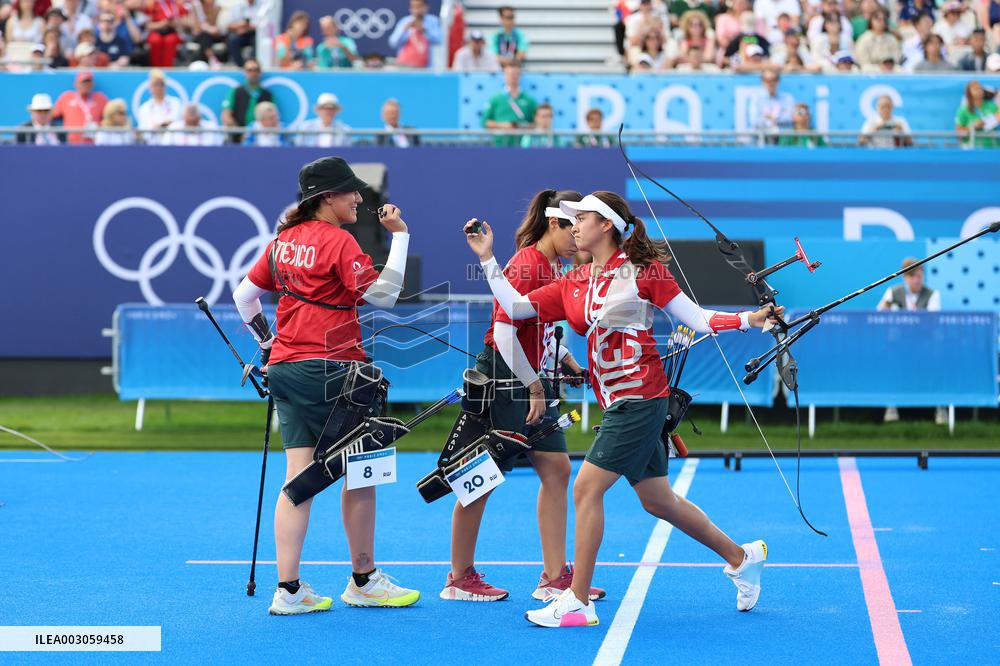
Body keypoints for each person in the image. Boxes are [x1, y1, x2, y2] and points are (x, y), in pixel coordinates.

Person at [464, 191, 776, 627]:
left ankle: (577, 602)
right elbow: (516, 307)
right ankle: (742, 559)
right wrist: (487, 258)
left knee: (585, 489)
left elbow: (698, 319)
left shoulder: (644, 272)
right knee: (659, 500)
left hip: (641, 399)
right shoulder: (575, 280)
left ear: (606, 224)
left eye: (583, 218)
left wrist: (747, 319)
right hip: (616, 403)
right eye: (572, 220)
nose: (575, 226)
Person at [233, 156, 419, 615]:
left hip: (286, 368)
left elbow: (243, 297)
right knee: (362, 471)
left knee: (299, 477)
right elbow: (384, 296)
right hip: (334, 369)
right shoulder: (338, 240)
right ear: (326, 197)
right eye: (350, 191)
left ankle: (289, 590)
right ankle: (364, 581)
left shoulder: (282, 241)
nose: (358, 197)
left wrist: (267, 344)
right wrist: (400, 237)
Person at [442, 190, 605, 604]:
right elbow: (503, 332)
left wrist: (566, 361)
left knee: (556, 469)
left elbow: (541, 327)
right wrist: (534, 386)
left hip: (533, 378)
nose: (579, 238)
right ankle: (459, 577)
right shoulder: (528, 263)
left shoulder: (555, 264)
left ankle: (554, 577)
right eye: (573, 228)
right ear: (553, 223)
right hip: (506, 378)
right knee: (482, 475)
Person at [877, 258, 943, 424]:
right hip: (898, 346)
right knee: (890, 364)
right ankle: (891, 406)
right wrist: (886, 308)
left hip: (925, 345)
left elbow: (932, 321)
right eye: (912, 275)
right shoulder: (893, 292)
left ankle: (940, 408)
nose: (917, 279)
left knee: (937, 366)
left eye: (919, 275)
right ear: (905, 277)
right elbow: (879, 314)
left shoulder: (933, 294)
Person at [481, 61, 537, 147]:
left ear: (520, 75)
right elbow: (485, 122)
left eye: (516, 74)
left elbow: (536, 123)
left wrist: (521, 126)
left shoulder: (529, 100)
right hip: (500, 144)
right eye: (510, 74)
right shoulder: (495, 99)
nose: (513, 77)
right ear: (504, 75)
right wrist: (503, 125)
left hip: (523, 145)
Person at [221, 58, 272, 144]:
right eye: (250, 70)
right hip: (237, 140)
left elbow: (272, 117)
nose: (253, 73)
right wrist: (240, 132)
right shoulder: (235, 92)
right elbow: (226, 116)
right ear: (245, 72)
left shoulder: (268, 95)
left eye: (256, 70)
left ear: (260, 72)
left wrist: (253, 133)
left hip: (261, 139)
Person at [52, 69, 107, 144]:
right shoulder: (66, 97)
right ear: (76, 84)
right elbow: (50, 115)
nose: (85, 85)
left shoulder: (100, 98)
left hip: (95, 142)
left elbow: (110, 117)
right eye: (83, 82)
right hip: (71, 143)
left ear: (92, 84)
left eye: (88, 82)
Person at [388, 0, 441, 68]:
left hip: (426, 67)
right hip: (404, 66)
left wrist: (424, 31)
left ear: (426, 7)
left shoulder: (433, 21)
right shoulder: (404, 21)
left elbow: (439, 40)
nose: (416, 10)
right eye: (413, 6)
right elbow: (393, 43)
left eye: (419, 6)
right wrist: (404, 30)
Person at [137, 69, 181, 144]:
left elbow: (177, 122)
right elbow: (143, 132)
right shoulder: (144, 108)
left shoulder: (175, 103)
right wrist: (156, 127)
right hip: (153, 145)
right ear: (150, 87)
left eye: (161, 84)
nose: (158, 87)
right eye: (155, 84)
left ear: (165, 86)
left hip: (172, 144)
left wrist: (163, 125)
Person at [749, 67, 793, 140]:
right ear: (762, 82)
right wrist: (776, 119)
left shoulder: (787, 98)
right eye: (767, 80)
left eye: (773, 80)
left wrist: (770, 117)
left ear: (778, 81)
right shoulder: (756, 99)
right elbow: (754, 121)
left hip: (783, 140)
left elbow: (790, 118)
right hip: (761, 139)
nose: (770, 83)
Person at [955, 80, 999, 148]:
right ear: (969, 93)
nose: (978, 90)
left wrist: (988, 121)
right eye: (974, 89)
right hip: (973, 149)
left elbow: (998, 117)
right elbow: (958, 134)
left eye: (979, 88)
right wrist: (974, 127)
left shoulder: (992, 106)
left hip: (992, 148)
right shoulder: (963, 111)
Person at [145, 0, 188, 67]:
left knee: (170, 40)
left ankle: (167, 69)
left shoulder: (178, 3)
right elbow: (147, 25)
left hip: (172, 32)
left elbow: (186, 22)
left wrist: (176, 23)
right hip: (157, 31)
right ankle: (156, 68)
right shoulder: (153, 3)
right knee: (154, 40)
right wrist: (163, 24)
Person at [225, 0, 256, 66]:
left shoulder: (262, 5)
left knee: (258, 41)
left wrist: (247, 28)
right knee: (232, 41)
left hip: (255, 34)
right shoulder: (237, 5)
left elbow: (261, 24)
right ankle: (241, 65)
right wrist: (240, 26)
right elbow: (229, 26)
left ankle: (253, 64)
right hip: (240, 33)